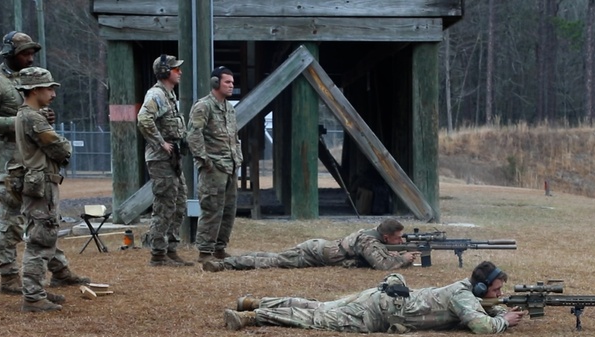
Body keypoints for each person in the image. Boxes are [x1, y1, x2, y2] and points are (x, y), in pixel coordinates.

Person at [0, 31, 88, 294]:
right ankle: (9, 277)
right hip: (9, 158)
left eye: (32, 52)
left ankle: (59, 270)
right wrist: (23, 121)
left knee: (43, 217)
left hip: (35, 158)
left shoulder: (30, 78)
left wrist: (44, 116)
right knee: (11, 219)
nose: (30, 57)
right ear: (9, 54)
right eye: (25, 53)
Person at [223, 260, 527, 333]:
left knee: (317, 305)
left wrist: (496, 305)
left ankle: (256, 301)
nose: (499, 295)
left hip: (381, 297)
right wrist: (503, 318)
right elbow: (482, 327)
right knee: (316, 318)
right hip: (380, 313)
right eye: (496, 290)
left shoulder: (463, 291)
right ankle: (252, 316)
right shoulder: (464, 297)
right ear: (480, 288)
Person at [14, 67, 87, 312]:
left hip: (43, 181)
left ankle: (39, 290)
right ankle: (33, 297)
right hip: (41, 184)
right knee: (40, 239)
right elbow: (60, 148)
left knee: (46, 235)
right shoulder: (32, 118)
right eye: (49, 88)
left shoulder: (31, 115)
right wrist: (65, 145)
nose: (53, 94)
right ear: (34, 90)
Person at [137, 54, 194, 267]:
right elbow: (144, 119)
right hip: (161, 159)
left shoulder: (169, 96)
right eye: (175, 69)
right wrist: (160, 143)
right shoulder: (156, 95)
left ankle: (170, 249)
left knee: (179, 202)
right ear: (164, 72)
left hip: (172, 159)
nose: (179, 72)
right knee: (165, 204)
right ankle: (158, 254)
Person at [202, 218, 420, 272]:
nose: (400, 242)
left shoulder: (375, 238)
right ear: (386, 237)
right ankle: (224, 265)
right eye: (398, 238)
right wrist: (403, 259)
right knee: (273, 261)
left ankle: (227, 261)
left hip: (319, 249)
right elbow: (381, 265)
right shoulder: (368, 241)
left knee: (272, 256)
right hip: (314, 253)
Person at [187, 66, 242, 263]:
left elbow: (234, 136)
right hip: (214, 168)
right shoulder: (203, 106)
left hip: (230, 166)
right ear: (215, 83)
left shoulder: (229, 108)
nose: (231, 86)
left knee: (228, 209)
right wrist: (204, 160)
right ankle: (205, 252)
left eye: (232, 82)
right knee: (212, 209)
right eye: (227, 82)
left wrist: (238, 157)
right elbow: (193, 134)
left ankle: (219, 248)